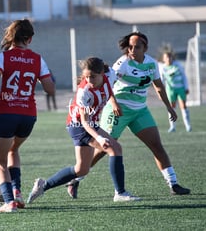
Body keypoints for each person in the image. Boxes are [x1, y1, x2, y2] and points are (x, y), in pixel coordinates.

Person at [67, 32, 190, 198]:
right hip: (119, 110)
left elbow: (159, 87)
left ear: (145, 48)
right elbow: (107, 85)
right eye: (129, 46)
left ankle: (173, 184)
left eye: (136, 47)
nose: (132, 50)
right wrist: (114, 104)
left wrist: (169, 107)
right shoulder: (123, 63)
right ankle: (76, 179)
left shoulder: (152, 64)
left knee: (156, 146)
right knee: (104, 149)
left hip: (140, 111)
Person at [27, 57, 141, 204]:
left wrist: (113, 103)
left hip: (87, 124)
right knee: (115, 149)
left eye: (92, 77)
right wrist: (99, 138)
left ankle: (43, 185)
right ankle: (120, 193)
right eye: (86, 77)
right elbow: (85, 122)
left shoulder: (109, 76)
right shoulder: (84, 92)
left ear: (102, 73)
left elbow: (109, 88)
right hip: (79, 126)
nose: (89, 80)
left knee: (81, 169)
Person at [0, 19, 55, 213]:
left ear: (10, 37)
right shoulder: (38, 59)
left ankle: (9, 202)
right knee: (13, 151)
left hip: (7, 113)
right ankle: (17, 193)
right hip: (28, 115)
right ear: (30, 39)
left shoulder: (4, 57)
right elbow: (50, 89)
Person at [158, 47, 191, 132]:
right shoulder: (163, 68)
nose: (168, 59)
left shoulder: (178, 65)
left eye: (170, 57)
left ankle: (188, 126)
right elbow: (161, 80)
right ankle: (172, 127)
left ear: (172, 57)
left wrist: (186, 87)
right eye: (166, 57)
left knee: (183, 106)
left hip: (180, 88)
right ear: (164, 59)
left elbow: (184, 76)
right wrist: (161, 92)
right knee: (171, 107)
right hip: (171, 90)